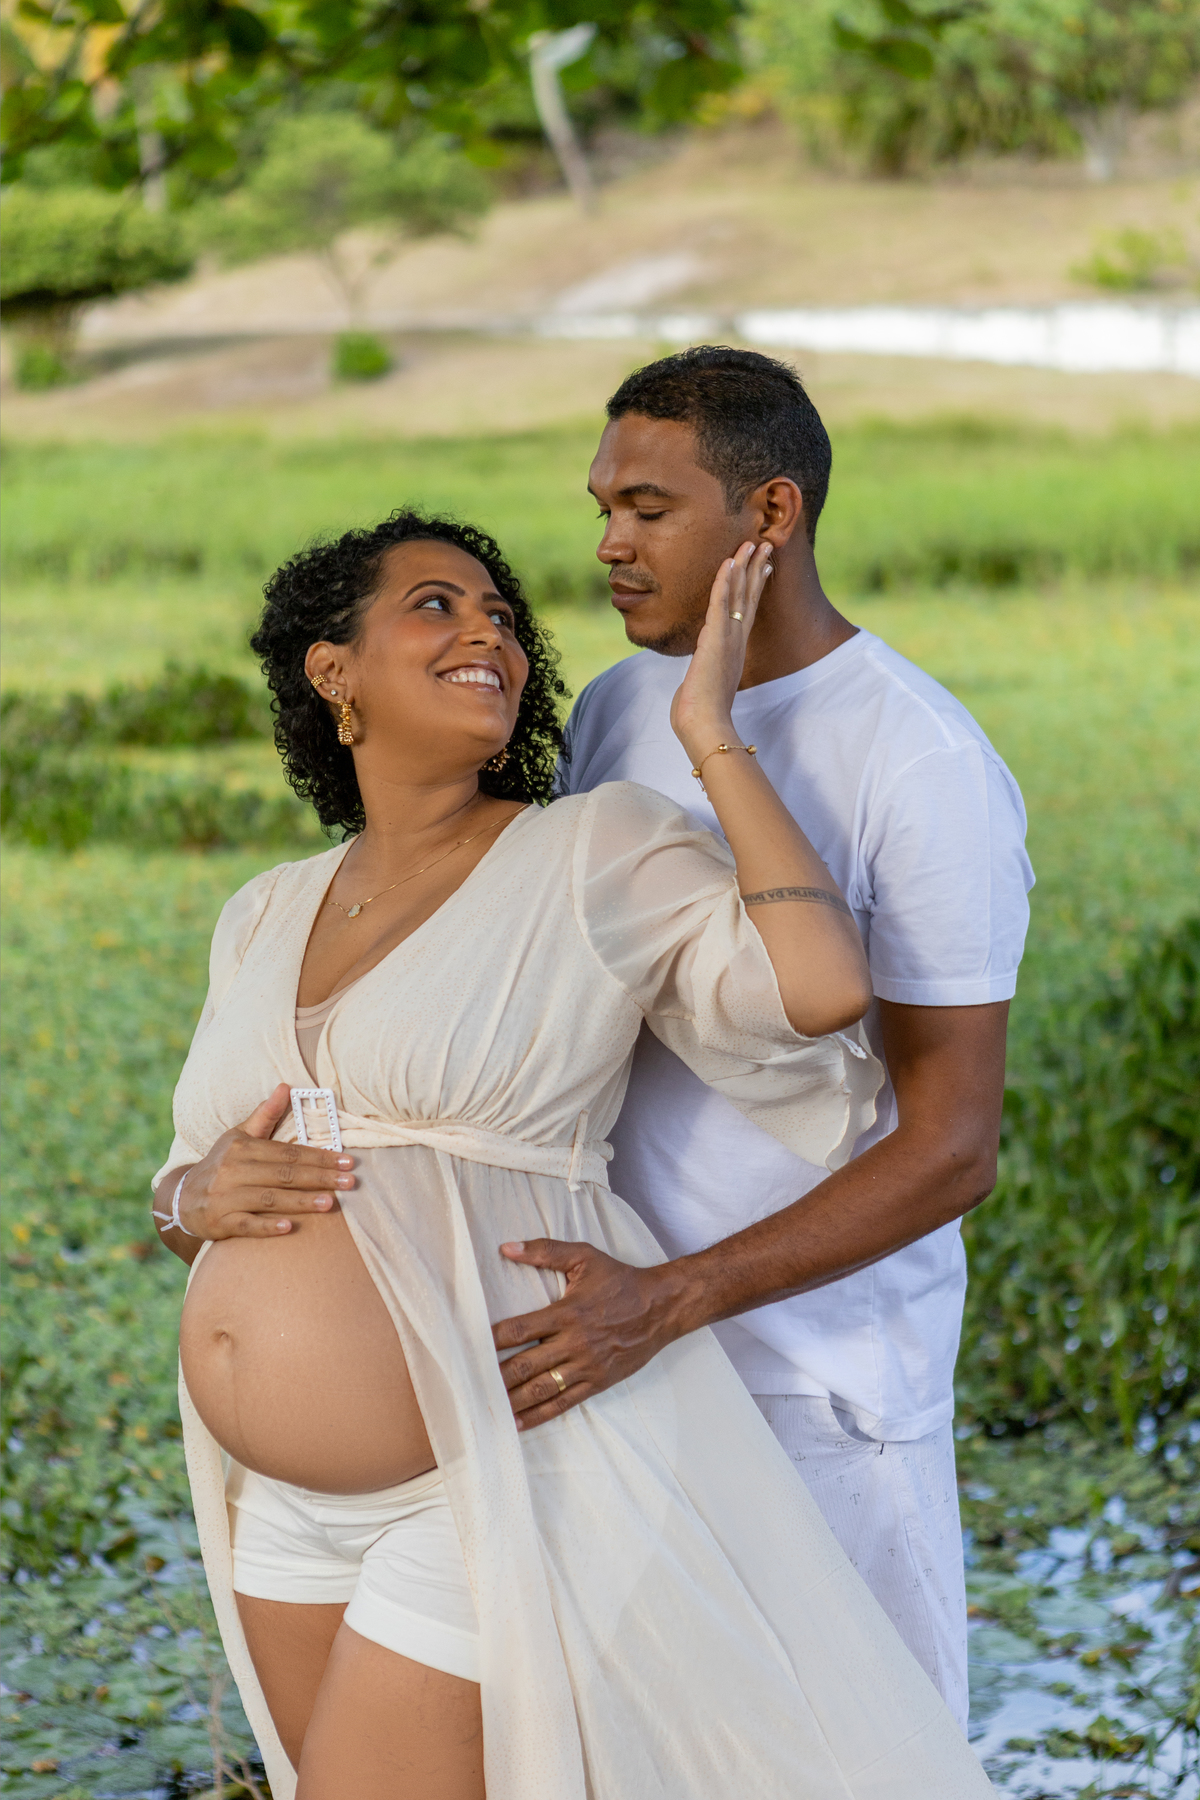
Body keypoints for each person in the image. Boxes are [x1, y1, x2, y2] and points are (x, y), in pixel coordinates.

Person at [151, 509, 995, 1799]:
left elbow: (819, 990)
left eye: (500, 614)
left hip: (482, 1474)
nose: (487, 628)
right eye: (435, 605)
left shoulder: (590, 852)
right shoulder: (260, 910)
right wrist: (191, 1193)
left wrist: (708, 734)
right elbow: (185, 1187)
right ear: (333, 673)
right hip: (277, 1508)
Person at [491, 346, 1035, 1732]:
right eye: (601, 506)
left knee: (861, 1760)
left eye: (648, 508)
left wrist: (672, 1298)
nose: (608, 545)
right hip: (615, 1371)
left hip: (822, 1391)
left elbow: (953, 1147)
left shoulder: (921, 764)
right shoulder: (616, 713)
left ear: (769, 516)